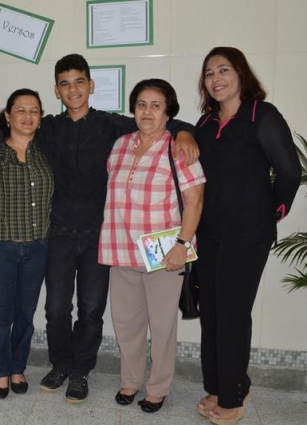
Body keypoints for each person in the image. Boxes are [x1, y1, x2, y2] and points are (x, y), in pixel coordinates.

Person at [0, 53, 198, 403]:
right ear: (57, 90)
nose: (73, 89)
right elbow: (5, 129)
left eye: (80, 81)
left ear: (91, 86)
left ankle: (81, 371)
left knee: (92, 308)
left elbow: (157, 120)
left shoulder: (113, 125)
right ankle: (60, 363)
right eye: (65, 83)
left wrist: (184, 132)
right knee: (56, 308)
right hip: (58, 233)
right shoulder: (47, 127)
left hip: (101, 236)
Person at [194, 47, 301, 425]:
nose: (216, 78)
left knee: (233, 313)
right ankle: (218, 384)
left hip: (247, 234)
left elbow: (289, 172)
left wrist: (270, 212)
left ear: (241, 74)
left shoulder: (262, 115)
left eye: (224, 70)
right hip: (208, 233)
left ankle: (233, 394)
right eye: (209, 73)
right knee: (212, 312)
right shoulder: (205, 124)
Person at [99, 79, 206, 413]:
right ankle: (130, 381)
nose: (147, 111)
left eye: (156, 105)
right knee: (127, 324)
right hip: (121, 249)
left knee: (161, 327)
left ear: (168, 111)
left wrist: (181, 244)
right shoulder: (119, 145)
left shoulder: (179, 147)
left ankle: (158, 387)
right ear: (134, 109)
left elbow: (195, 200)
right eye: (141, 104)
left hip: (164, 254)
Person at [0, 89, 53, 399]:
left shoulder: (48, 151)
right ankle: (1, 372)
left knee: (26, 314)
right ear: (8, 116)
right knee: (2, 314)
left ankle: (19, 367)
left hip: (37, 248)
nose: (27, 116)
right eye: (20, 110)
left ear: (41, 117)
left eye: (34, 110)